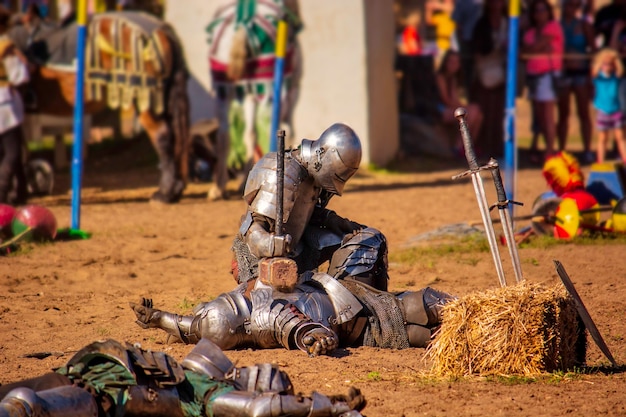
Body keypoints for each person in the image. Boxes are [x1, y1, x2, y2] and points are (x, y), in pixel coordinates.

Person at [0, 338, 365, 417]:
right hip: (91, 368)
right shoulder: (187, 372)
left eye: (262, 374)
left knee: (25, 408)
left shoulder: (211, 395)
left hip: (104, 395)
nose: (258, 368)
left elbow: (262, 410)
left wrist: (332, 406)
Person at [131, 269, 456, 355]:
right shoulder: (262, 317)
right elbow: (298, 326)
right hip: (353, 316)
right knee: (419, 311)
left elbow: (192, 328)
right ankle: (473, 314)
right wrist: (315, 338)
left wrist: (159, 319)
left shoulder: (250, 291)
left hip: (344, 302)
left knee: (418, 318)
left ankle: (468, 316)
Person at [233, 123, 390, 292]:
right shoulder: (283, 172)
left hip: (298, 244)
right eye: (339, 174)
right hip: (259, 257)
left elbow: (309, 213)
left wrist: (336, 221)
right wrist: (271, 243)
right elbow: (252, 228)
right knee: (272, 305)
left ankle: (349, 296)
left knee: (363, 241)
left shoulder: (315, 173)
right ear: (322, 153)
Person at [522, 0, 564, 160]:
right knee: (539, 115)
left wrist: (535, 48)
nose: (539, 13)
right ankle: (547, 148)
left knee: (548, 115)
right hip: (533, 76)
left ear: (548, 12)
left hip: (548, 74)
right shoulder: (530, 32)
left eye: (543, 10)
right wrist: (537, 47)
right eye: (536, 10)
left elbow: (534, 47)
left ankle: (549, 151)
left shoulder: (553, 27)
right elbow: (523, 51)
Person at [557, 0, 595, 162]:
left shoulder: (584, 25)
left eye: (575, 5)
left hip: (581, 73)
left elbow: (593, 49)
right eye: (569, 5)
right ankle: (562, 150)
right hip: (564, 73)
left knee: (583, 112)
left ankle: (587, 150)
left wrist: (591, 74)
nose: (571, 8)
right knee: (563, 113)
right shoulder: (558, 25)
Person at [470, 0, 508, 158]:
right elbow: (478, 50)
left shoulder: (507, 24)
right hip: (485, 73)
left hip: (502, 73)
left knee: (498, 114)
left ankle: (497, 148)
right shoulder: (481, 25)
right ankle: (482, 148)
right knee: (485, 112)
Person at [0, 6, 30, 205]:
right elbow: (20, 76)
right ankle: (1, 191)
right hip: (5, 105)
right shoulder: (5, 47)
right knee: (12, 152)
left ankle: (21, 191)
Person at [435, 49, 483, 155]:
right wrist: (465, 108)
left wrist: (466, 107)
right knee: (469, 113)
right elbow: (446, 100)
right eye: (451, 62)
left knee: (477, 113)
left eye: (456, 62)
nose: (454, 65)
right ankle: (458, 146)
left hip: (450, 108)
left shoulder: (453, 78)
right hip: (440, 110)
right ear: (445, 62)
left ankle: (469, 147)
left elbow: (455, 99)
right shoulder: (440, 77)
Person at [591, 48, 626, 163]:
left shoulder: (616, 77)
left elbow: (620, 70)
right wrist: (600, 62)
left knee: (620, 137)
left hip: (616, 110)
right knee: (602, 138)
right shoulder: (598, 77)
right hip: (602, 111)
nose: (607, 66)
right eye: (605, 63)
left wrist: (616, 62)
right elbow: (594, 71)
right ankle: (600, 161)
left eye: (610, 64)